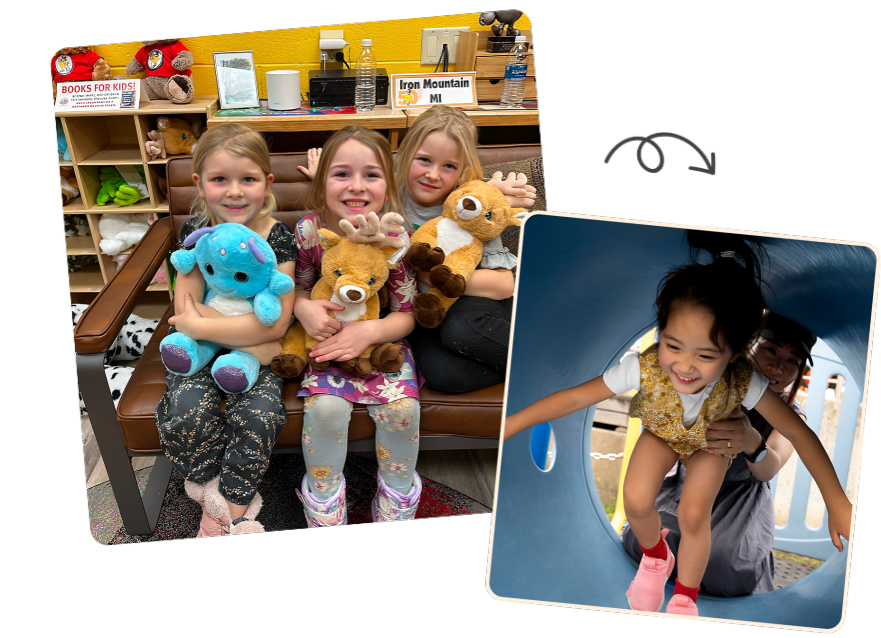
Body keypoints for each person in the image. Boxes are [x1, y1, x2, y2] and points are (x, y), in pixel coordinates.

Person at [503, 231, 852, 617]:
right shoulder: (646, 367)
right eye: (672, 345)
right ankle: (657, 558)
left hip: (713, 445)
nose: (684, 367)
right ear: (661, 331)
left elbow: (800, 436)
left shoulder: (742, 382)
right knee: (636, 500)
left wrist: (837, 502)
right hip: (663, 430)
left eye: (705, 355)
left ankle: (686, 595)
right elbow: (575, 397)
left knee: (693, 516)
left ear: (735, 353)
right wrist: (514, 420)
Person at [299, 104, 537, 393]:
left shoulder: (469, 206)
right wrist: (327, 177)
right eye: (424, 160)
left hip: (472, 305)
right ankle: (523, 370)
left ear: (464, 172)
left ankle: (551, 356)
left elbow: (502, 285)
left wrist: (425, 276)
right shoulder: (388, 194)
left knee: (459, 330)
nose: (433, 175)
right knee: (442, 375)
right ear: (403, 158)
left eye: (448, 166)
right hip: (420, 313)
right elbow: (358, 193)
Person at [155, 123, 297, 537]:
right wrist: (220, 327)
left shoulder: (279, 239)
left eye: (248, 179)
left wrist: (205, 323)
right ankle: (212, 492)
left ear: (266, 183)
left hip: (254, 358)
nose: (234, 191)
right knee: (184, 410)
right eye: (220, 179)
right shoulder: (195, 235)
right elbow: (185, 307)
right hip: (199, 350)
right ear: (200, 185)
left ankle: (226, 513)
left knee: (260, 413)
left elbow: (276, 323)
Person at [621, 312, 818, 596]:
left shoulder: (790, 414)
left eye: (792, 361)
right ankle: (663, 571)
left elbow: (768, 469)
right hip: (693, 483)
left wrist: (752, 441)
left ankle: (694, 590)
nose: (777, 367)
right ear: (749, 347)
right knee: (643, 536)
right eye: (770, 350)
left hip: (741, 495)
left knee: (726, 562)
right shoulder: (718, 386)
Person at [291, 126, 423, 527]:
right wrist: (303, 309)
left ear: (389, 184)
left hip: (377, 343)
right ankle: (326, 503)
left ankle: (397, 496)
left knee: (404, 409)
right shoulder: (309, 231)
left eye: (371, 174)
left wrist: (369, 331)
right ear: (322, 181)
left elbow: (408, 311)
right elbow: (295, 289)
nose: (356, 186)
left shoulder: (397, 239)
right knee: (327, 409)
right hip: (325, 344)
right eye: (342, 174)